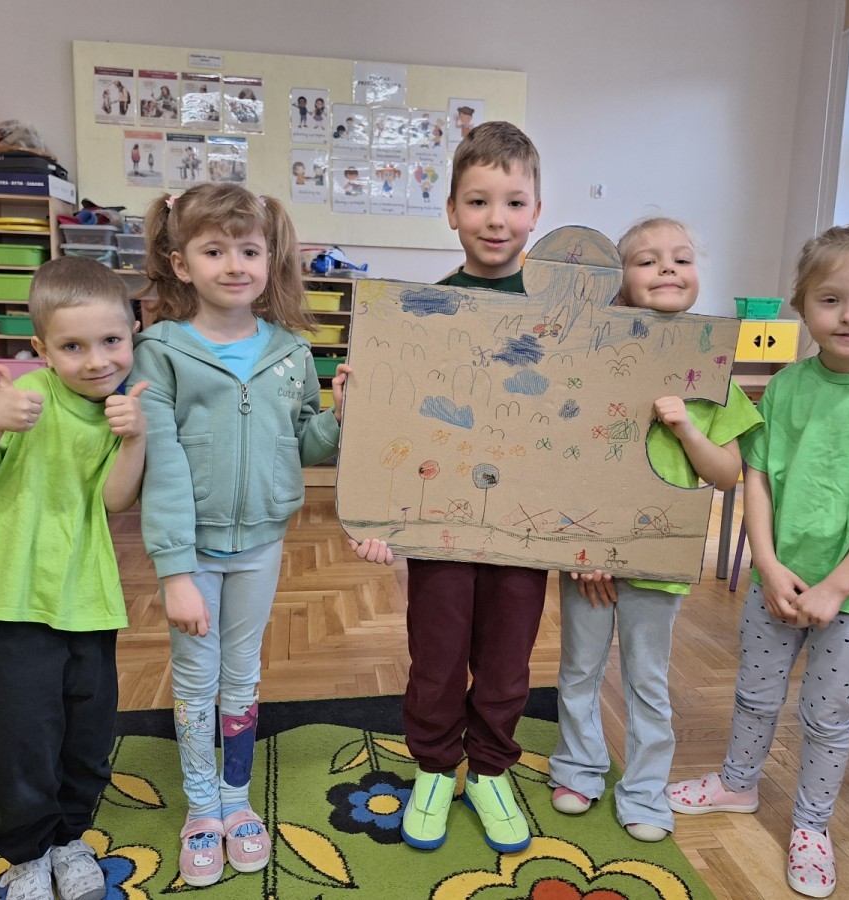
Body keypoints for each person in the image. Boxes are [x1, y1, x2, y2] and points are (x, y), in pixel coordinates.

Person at [663, 225, 849, 898]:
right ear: (801, 305)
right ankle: (738, 784)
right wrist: (766, 564)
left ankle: (811, 826)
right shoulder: (788, 387)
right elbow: (757, 478)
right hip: (778, 582)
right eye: (831, 299)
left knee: (827, 715)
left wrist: (836, 588)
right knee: (755, 693)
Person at [131, 184, 376, 887]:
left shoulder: (292, 352)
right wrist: (175, 571)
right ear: (182, 264)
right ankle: (200, 808)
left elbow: (304, 446)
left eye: (248, 250)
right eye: (214, 251)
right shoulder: (160, 351)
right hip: (193, 552)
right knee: (195, 678)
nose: (234, 265)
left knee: (242, 674)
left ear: (270, 259)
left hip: (263, 544)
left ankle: (235, 800)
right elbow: (161, 467)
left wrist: (340, 417)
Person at [546, 218, 762, 844]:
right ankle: (579, 769)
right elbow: (564, 457)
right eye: (647, 260)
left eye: (681, 259)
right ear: (619, 280)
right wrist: (582, 547)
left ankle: (643, 791)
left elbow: (727, 474)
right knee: (579, 670)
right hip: (589, 552)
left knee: (647, 679)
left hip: (659, 555)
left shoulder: (714, 370)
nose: (667, 268)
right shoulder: (593, 356)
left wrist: (686, 427)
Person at [0, 256, 148, 900]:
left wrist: (134, 440)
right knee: (21, 737)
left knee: (89, 734)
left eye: (110, 341)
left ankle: (69, 837)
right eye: (72, 347)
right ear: (42, 349)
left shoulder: (122, 407)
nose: (96, 360)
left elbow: (115, 501)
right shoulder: (23, 397)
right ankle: (27, 853)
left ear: (134, 333)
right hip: (9, 598)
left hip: (88, 599)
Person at [396, 121, 545, 855]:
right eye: (479, 201)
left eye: (514, 202)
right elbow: (399, 426)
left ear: (537, 212)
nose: (496, 219)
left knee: (508, 659)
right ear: (451, 210)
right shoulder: (421, 310)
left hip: (525, 523)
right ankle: (434, 766)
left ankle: (488, 768)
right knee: (436, 651)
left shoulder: (561, 313)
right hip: (442, 520)